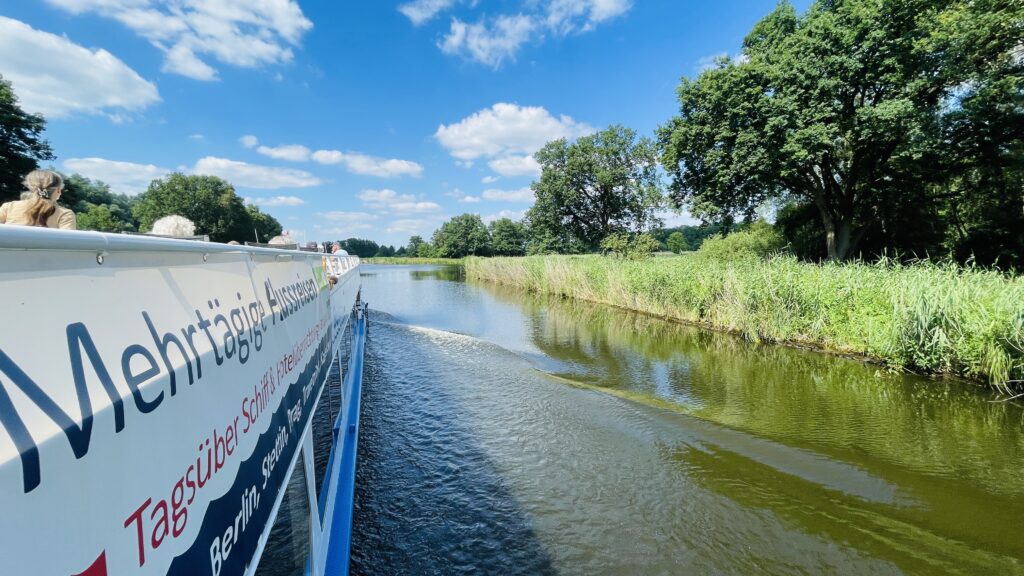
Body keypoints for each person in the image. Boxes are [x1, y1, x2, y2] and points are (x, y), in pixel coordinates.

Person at [0, 170, 76, 229]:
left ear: (31, 187)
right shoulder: (65, 214)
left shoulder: (9, 207)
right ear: (58, 190)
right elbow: (67, 244)